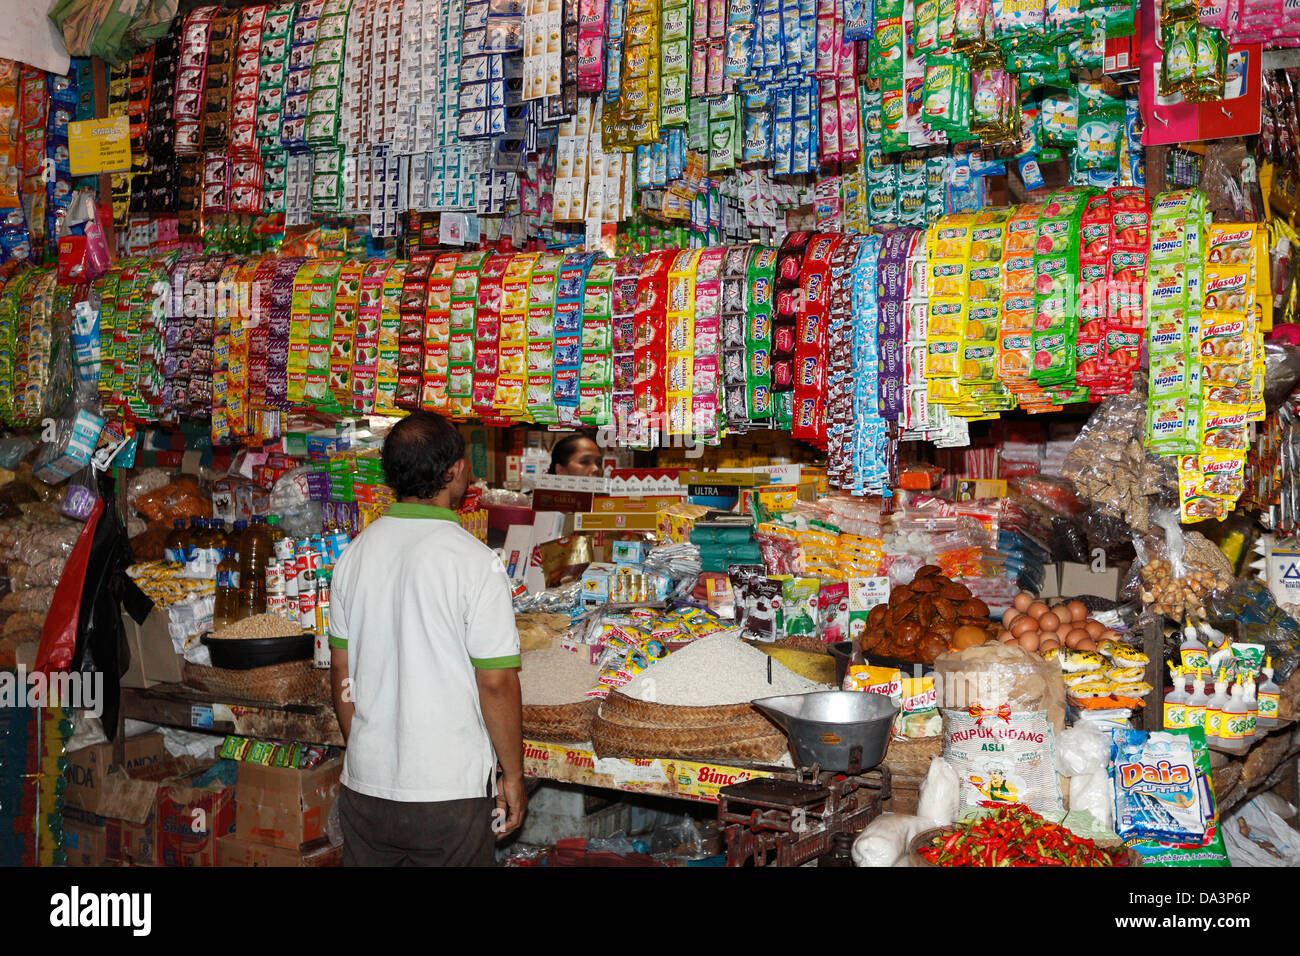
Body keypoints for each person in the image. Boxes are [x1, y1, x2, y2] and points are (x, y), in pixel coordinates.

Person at [329, 411, 526, 866]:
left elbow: (342, 672)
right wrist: (512, 775)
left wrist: (364, 750)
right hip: (447, 798)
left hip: (364, 791)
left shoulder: (354, 554)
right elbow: (496, 683)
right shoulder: (476, 563)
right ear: (454, 471)